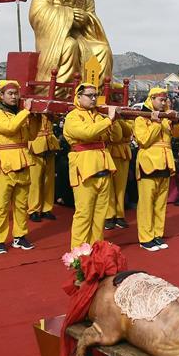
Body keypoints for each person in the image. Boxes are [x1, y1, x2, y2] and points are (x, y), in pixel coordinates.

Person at [63, 83, 117, 249]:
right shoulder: (72, 117)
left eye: (95, 95)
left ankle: (97, 251)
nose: (94, 98)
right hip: (84, 171)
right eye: (90, 95)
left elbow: (118, 136)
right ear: (78, 97)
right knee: (84, 215)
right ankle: (78, 254)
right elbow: (87, 133)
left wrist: (115, 121)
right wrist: (109, 120)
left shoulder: (99, 116)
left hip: (103, 169)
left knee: (100, 216)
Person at [0, 80, 36, 254]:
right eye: (10, 93)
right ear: (2, 95)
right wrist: (26, 112)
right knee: (1, 204)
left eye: (16, 93)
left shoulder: (20, 113)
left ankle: (19, 236)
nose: (14, 97)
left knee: (22, 203)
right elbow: (10, 128)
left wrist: (36, 117)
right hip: (4, 162)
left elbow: (31, 135)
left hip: (22, 159)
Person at [134, 88, 179, 251]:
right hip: (148, 163)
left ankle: (157, 234)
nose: (163, 103)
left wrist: (175, 121)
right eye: (160, 100)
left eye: (165, 100)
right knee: (146, 203)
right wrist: (156, 123)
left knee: (160, 203)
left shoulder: (165, 116)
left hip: (165, 162)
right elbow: (144, 140)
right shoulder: (141, 117)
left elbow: (178, 134)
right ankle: (145, 238)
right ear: (152, 99)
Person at [28, 114, 61, 223]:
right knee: (35, 181)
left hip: (50, 144)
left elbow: (57, 117)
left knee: (49, 180)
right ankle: (33, 210)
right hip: (36, 145)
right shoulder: (30, 106)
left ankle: (46, 208)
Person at [103, 114, 132, 229]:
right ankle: (109, 215)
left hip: (123, 152)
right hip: (109, 151)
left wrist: (119, 118)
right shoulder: (104, 115)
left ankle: (120, 215)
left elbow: (128, 132)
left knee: (121, 186)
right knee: (109, 186)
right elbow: (115, 136)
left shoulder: (129, 114)